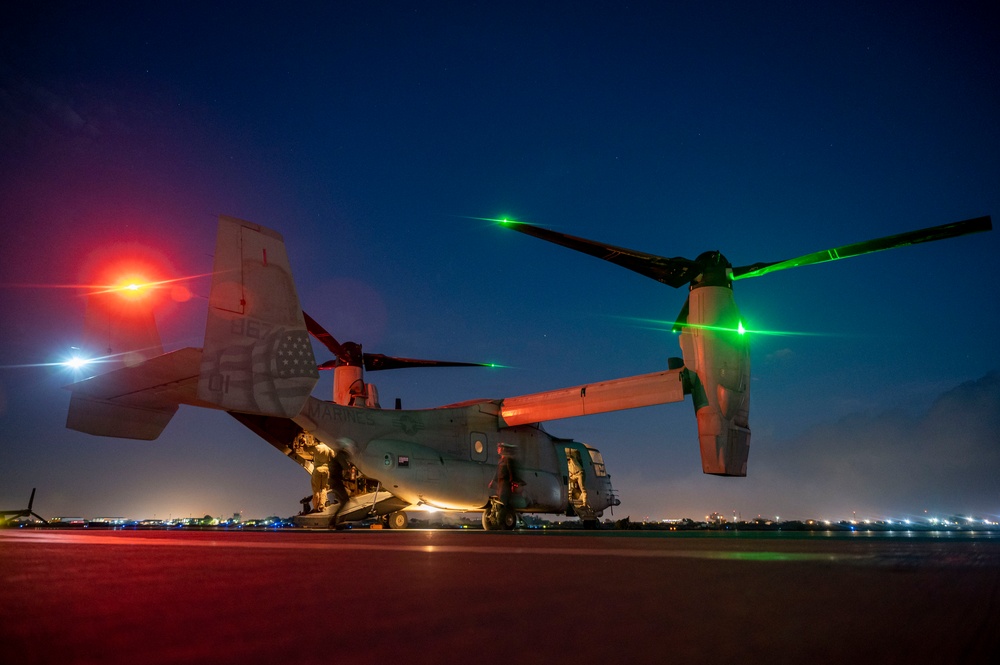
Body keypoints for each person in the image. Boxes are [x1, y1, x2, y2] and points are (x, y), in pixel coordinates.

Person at [327, 451, 350, 527]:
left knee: (343, 501)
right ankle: (336, 521)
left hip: (333, 481)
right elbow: (346, 467)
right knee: (346, 499)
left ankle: (335, 521)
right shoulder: (340, 456)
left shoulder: (333, 457)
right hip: (336, 481)